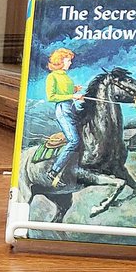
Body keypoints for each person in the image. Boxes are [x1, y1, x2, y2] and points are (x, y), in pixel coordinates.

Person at [45, 46, 86, 188]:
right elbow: (51, 97)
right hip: (62, 109)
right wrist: (72, 95)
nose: (70, 63)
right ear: (60, 61)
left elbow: (66, 90)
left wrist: (75, 90)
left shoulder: (65, 77)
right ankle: (53, 171)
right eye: (68, 60)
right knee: (74, 140)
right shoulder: (52, 77)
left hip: (70, 107)